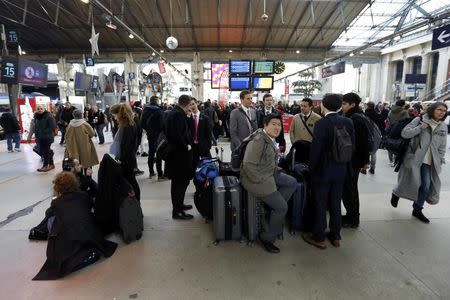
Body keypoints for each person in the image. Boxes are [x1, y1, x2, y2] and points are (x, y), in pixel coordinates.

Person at [33, 172, 117, 280]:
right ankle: (85, 253)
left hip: (70, 250)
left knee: (51, 220)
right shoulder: (83, 196)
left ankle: (70, 254)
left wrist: (55, 199)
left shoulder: (56, 203)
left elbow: (48, 214)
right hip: (91, 243)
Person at [303, 94, 355, 249]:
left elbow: (316, 149)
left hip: (323, 169)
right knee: (335, 201)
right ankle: (335, 235)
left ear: (323, 106)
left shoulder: (321, 123)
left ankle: (319, 236)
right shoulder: (348, 122)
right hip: (341, 168)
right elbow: (353, 146)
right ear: (340, 106)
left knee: (320, 201)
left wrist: (311, 169)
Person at [240, 114, 297, 253]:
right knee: (282, 208)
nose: (277, 127)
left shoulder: (268, 137)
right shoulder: (259, 140)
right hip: (255, 178)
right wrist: (261, 181)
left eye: (279, 124)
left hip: (268, 172)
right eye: (273, 124)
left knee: (292, 182)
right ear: (265, 125)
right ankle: (267, 237)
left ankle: (273, 211)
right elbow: (248, 165)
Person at [391, 102, 448, 223]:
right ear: (432, 110)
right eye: (439, 109)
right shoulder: (420, 119)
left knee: (425, 186)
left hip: (429, 161)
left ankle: (417, 209)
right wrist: (420, 128)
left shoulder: (442, 126)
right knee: (409, 181)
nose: (442, 112)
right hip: (414, 157)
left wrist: (441, 158)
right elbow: (405, 133)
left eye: (444, 110)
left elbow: (442, 145)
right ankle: (396, 193)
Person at [340, 93, 370, 228]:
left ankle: (353, 218)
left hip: (354, 160)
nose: (342, 106)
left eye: (344, 104)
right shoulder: (358, 116)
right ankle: (351, 215)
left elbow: (363, 143)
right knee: (350, 188)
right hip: (355, 159)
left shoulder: (355, 119)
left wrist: (364, 161)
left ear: (353, 104)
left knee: (349, 189)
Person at [165, 95, 195, 220]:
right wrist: (186, 146)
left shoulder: (176, 113)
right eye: (190, 105)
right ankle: (177, 211)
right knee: (180, 183)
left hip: (177, 155)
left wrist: (188, 116)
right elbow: (177, 135)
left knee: (179, 183)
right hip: (179, 156)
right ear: (187, 104)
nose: (191, 107)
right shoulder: (177, 114)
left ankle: (179, 205)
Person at [109, 103, 141, 201]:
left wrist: (121, 160)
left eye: (114, 115)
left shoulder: (127, 126)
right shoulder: (128, 124)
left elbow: (126, 146)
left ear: (119, 114)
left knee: (131, 181)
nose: (114, 118)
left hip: (127, 160)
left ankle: (136, 204)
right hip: (128, 158)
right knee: (131, 181)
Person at [141, 96, 165, 179]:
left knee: (151, 152)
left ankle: (151, 172)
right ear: (156, 101)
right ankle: (160, 174)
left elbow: (142, 123)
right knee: (158, 153)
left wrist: (148, 130)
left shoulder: (145, 109)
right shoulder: (159, 110)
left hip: (150, 134)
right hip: (158, 135)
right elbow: (162, 124)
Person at [188, 98, 213, 175]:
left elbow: (208, 133)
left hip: (203, 145)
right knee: (193, 164)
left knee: (207, 164)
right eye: (190, 105)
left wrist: (208, 145)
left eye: (193, 104)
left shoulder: (205, 118)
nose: (192, 106)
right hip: (193, 146)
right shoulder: (188, 118)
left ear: (197, 104)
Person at [31, 105, 57, 172]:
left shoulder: (48, 116)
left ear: (44, 109)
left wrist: (45, 131)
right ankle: (51, 164)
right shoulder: (36, 117)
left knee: (45, 152)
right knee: (46, 151)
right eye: (38, 109)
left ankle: (45, 166)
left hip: (47, 137)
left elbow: (53, 126)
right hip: (40, 137)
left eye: (41, 109)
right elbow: (36, 127)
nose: (40, 110)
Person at [363, 101, 384, 174]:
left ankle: (364, 168)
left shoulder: (365, 115)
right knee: (374, 152)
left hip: (367, 135)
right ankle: (372, 168)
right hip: (376, 135)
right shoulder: (378, 114)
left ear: (368, 106)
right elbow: (382, 125)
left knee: (366, 152)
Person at [387, 100, 409, 166]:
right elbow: (407, 121)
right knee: (399, 144)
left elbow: (388, 118)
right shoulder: (404, 112)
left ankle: (391, 160)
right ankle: (395, 160)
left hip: (391, 129)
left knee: (390, 143)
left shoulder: (391, 111)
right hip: (400, 129)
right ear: (403, 104)